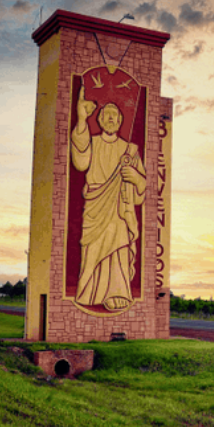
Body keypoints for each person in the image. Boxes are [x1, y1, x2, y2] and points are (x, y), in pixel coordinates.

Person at [70, 86, 146, 311]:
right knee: (92, 249)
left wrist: (135, 177)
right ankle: (87, 291)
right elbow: (81, 163)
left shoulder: (130, 150)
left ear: (121, 120)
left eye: (115, 115)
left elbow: (142, 189)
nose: (111, 118)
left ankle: (118, 291)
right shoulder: (92, 142)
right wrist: (82, 120)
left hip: (120, 210)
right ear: (100, 120)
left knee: (119, 249)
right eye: (106, 115)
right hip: (95, 206)